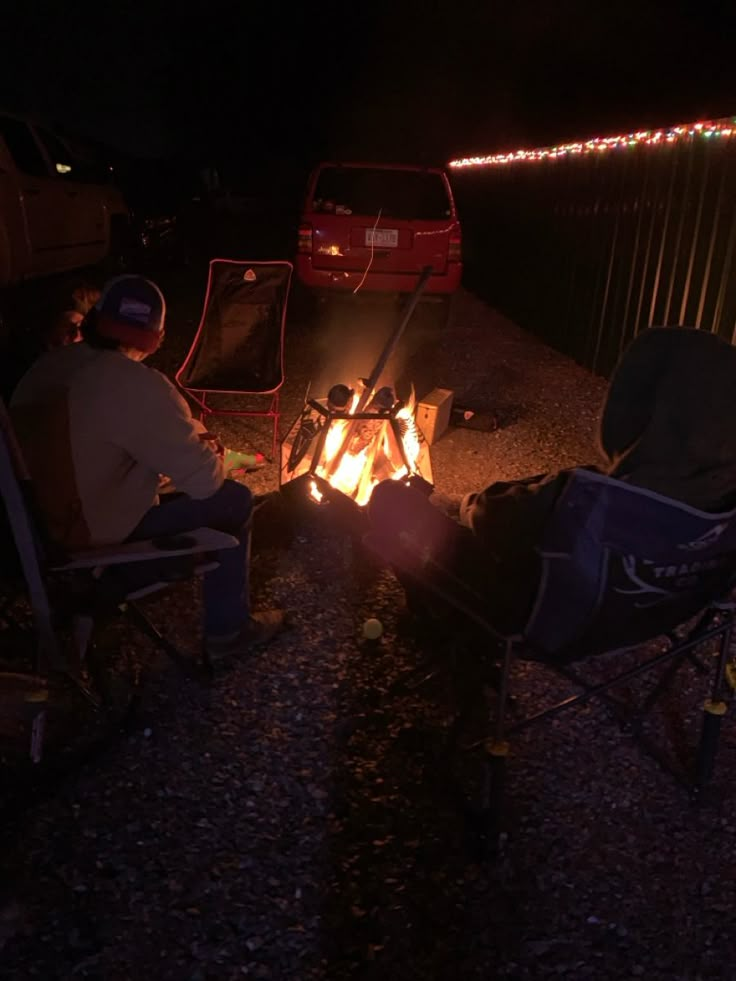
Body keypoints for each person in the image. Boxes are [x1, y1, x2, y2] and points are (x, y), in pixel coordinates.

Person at [369, 326, 736, 634]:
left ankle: (431, 615)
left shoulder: (590, 497)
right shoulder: (724, 506)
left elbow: (492, 519)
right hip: (647, 619)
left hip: (543, 620)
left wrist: (465, 504)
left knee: (389, 497)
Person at [10, 274, 285, 663]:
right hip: (82, 553)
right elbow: (206, 481)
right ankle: (229, 630)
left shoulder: (48, 368)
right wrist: (205, 451)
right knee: (234, 499)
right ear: (155, 337)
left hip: (26, 539)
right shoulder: (136, 384)